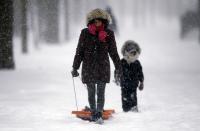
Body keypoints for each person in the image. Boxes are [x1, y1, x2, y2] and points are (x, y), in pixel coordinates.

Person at [71, 8, 121, 123]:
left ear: (104, 21)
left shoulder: (109, 34)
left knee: (101, 92)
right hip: (88, 67)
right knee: (91, 92)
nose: (97, 23)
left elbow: (113, 52)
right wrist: (75, 67)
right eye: (95, 21)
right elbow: (80, 51)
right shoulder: (85, 33)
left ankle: (98, 113)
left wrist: (118, 67)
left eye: (99, 20)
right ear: (91, 21)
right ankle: (93, 112)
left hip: (103, 67)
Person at [115, 40, 144, 112]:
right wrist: (116, 77)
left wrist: (141, 82)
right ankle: (125, 109)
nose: (132, 54)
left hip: (134, 83)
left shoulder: (136, 63)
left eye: (134, 53)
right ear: (126, 52)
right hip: (124, 83)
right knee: (125, 96)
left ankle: (134, 107)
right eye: (131, 52)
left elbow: (140, 73)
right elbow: (117, 71)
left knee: (133, 95)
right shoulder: (121, 62)